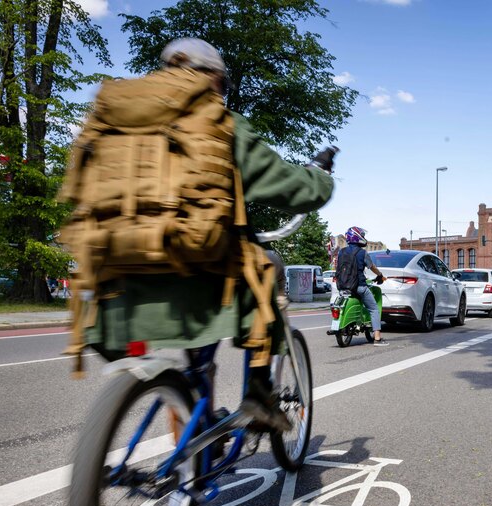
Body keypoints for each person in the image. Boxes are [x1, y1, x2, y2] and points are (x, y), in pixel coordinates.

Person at [66, 38, 336, 433]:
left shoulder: (112, 121)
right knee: (268, 269)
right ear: (212, 79)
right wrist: (321, 177)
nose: (222, 95)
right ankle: (260, 395)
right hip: (198, 273)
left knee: (181, 362)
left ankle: (186, 402)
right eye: (223, 86)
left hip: (113, 281)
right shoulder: (217, 122)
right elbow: (293, 188)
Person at [337, 226, 388, 346]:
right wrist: (380, 275)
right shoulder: (362, 253)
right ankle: (377, 338)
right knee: (374, 308)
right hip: (359, 286)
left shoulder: (341, 252)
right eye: (363, 236)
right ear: (358, 237)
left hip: (343, 286)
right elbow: (372, 267)